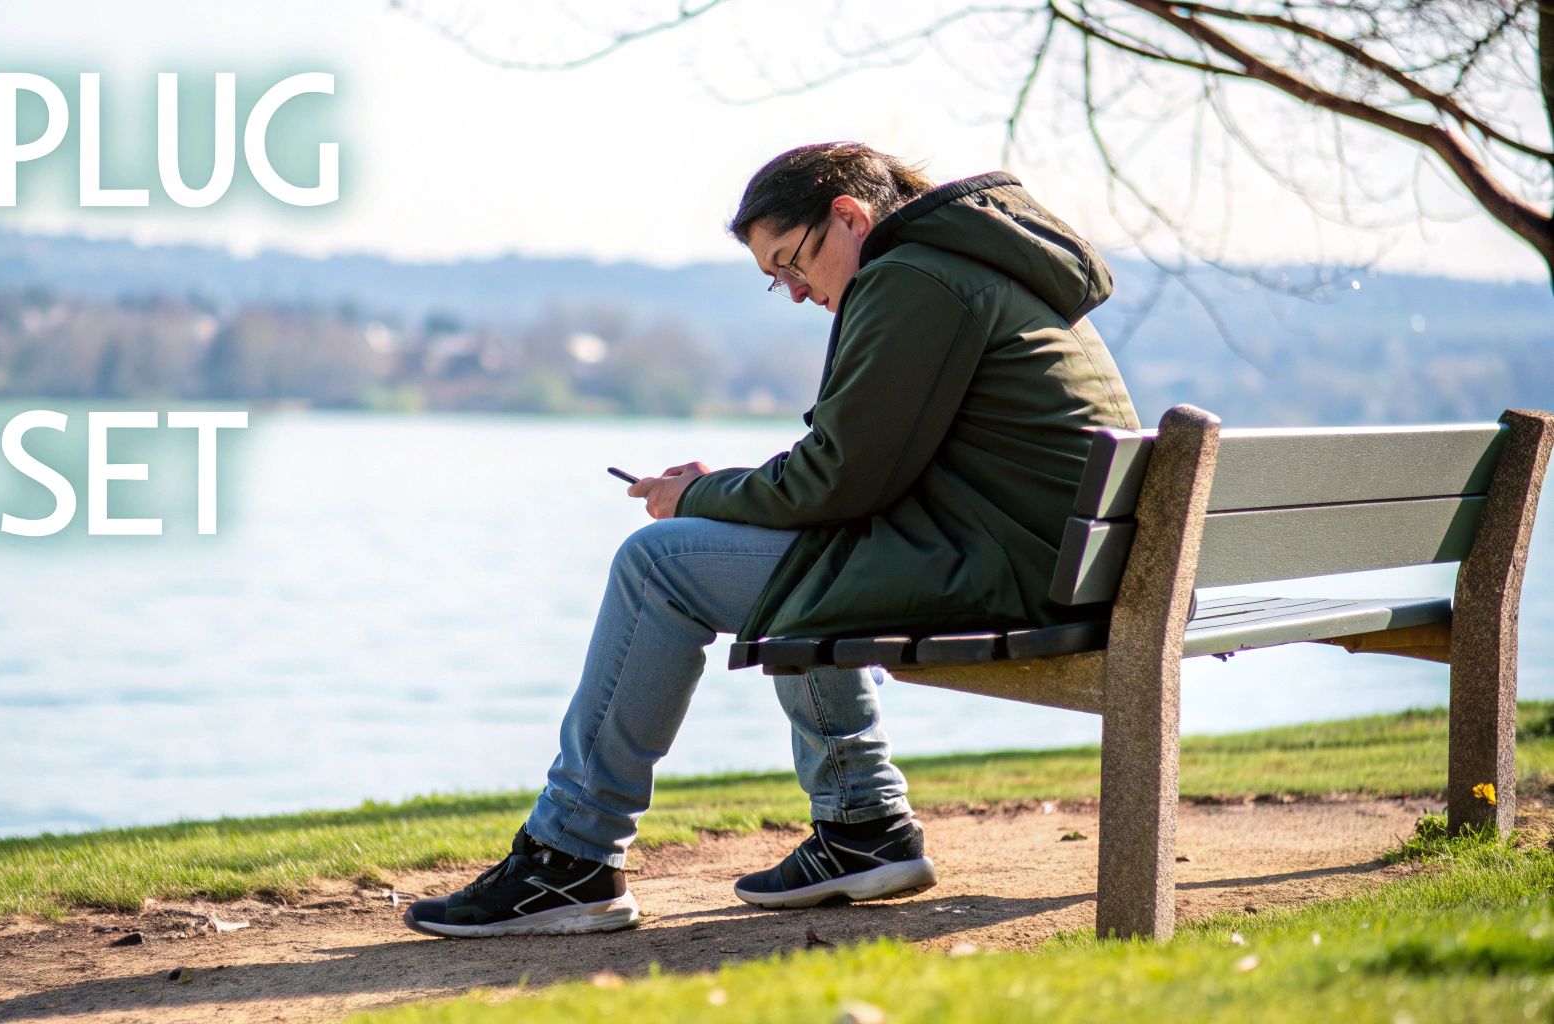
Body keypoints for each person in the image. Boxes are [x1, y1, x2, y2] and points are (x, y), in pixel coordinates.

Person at [403, 142, 1139, 938]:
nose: (792, 292)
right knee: (775, 540)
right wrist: (720, 494)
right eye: (774, 279)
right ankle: (862, 829)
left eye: (791, 263)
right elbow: (855, 473)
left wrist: (694, 497)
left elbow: (839, 481)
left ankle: (571, 858)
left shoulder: (912, 278)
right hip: (1050, 560)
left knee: (658, 566)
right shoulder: (970, 261)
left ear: (849, 218)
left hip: (1011, 570)